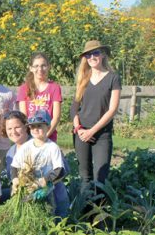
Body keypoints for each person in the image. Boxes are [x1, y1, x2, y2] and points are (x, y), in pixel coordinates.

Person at [71, 40, 121, 195]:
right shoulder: (83, 79)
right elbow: (74, 109)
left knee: (100, 179)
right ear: (85, 58)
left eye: (96, 53)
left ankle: (100, 216)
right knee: (85, 178)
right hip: (81, 134)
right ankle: (84, 213)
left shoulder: (113, 78)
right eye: (88, 54)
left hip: (101, 135)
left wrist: (92, 131)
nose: (92, 57)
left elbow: (112, 110)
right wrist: (79, 129)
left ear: (103, 54)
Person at [9, 111, 69, 217]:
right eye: (32, 127)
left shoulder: (52, 147)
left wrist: (44, 181)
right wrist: (15, 179)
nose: (35, 129)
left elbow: (59, 170)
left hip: (46, 189)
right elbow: (14, 165)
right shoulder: (26, 146)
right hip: (28, 186)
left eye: (39, 126)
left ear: (48, 126)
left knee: (48, 211)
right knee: (25, 211)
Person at [17, 52, 62, 142]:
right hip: (30, 137)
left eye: (43, 65)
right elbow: (24, 116)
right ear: (31, 68)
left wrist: (45, 136)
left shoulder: (54, 87)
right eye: (36, 66)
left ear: (48, 67)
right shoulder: (24, 88)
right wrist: (33, 137)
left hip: (49, 136)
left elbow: (56, 117)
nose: (40, 69)